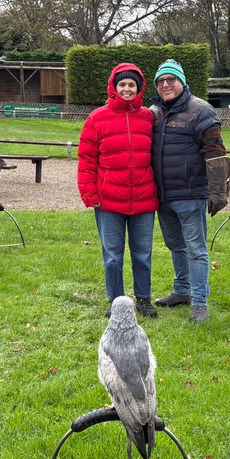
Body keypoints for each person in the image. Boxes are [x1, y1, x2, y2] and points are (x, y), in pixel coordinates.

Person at [149, 59, 230, 322]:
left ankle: (199, 303)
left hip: (190, 193)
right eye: (160, 81)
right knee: (175, 245)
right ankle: (182, 291)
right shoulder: (153, 113)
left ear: (182, 81)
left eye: (170, 79)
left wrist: (218, 192)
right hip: (163, 196)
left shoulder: (200, 111)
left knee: (196, 248)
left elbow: (216, 154)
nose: (165, 84)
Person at [77, 63, 160, 318]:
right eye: (122, 84)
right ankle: (116, 300)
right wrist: (90, 194)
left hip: (143, 200)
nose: (126, 89)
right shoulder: (97, 118)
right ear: (114, 87)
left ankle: (143, 298)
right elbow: (87, 159)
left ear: (139, 88)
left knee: (143, 254)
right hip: (109, 201)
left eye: (131, 85)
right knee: (113, 255)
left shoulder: (148, 117)